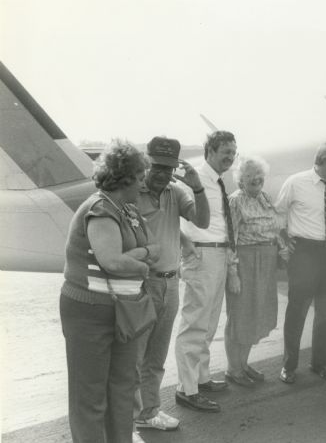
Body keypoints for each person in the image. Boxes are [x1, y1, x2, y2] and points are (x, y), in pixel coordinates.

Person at [60, 139, 158, 443]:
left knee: (122, 388)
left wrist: (139, 254)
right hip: (90, 311)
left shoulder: (126, 210)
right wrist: (141, 263)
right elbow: (112, 261)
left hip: (124, 311)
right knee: (90, 396)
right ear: (124, 177)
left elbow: (155, 248)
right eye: (140, 176)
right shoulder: (101, 208)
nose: (143, 183)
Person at [133, 136, 210, 431]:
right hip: (143, 284)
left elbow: (202, 221)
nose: (162, 174)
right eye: (156, 167)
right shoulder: (131, 193)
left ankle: (148, 412)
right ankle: (129, 417)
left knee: (156, 356)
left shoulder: (175, 193)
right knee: (134, 356)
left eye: (168, 168)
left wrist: (197, 186)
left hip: (170, 283)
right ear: (146, 162)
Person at [275, 141, 326, 384]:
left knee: (324, 311)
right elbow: (278, 214)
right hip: (304, 252)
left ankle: (320, 364)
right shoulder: (296, 182)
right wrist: (285, 240)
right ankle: (289, 365)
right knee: (297, 310)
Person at [175, 130, 237, 411]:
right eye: (226, 152)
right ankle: (186, 389)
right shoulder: (192, 180)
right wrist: (185, 245)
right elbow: (170, 215)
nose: (230, 157)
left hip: (220, 252)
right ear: (209, 151)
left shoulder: (221, 181)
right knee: (194, 323)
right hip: (202, 253)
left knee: (210, 321)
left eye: (233, 152)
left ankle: (200, 378)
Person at [224, 156, 285, 386]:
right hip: (246, 261)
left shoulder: (264, 198)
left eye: (260, 177)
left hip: (265, 262)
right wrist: (233, 273)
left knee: (256, 314)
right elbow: (231, 239)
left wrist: (281, 246)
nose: (257, 181)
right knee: (240, 315)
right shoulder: (235, 201)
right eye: (251, 178)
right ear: (240, 181)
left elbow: (273, 227)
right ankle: (233, 369)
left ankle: (243, 364)